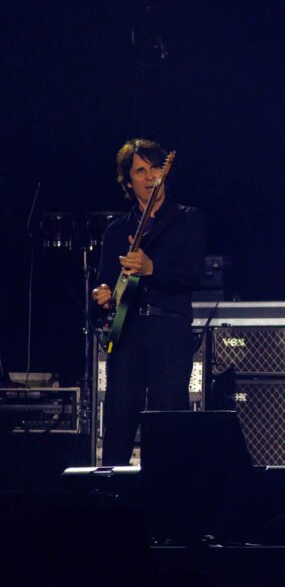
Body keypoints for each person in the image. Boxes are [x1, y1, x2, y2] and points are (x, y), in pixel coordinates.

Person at [92, 138, 205, 465]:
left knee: (167, 422)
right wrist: (100, 294)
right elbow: (105, 280)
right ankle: (112, 502)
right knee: (119, 421)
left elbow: (193, 276)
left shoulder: (188, 220)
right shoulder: (117, 230)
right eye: (140, 170)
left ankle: (167, 503)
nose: (150, 175)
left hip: (169, 330)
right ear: (128, 181)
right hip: (127, 333)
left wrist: (152, 268)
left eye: (155, 167)